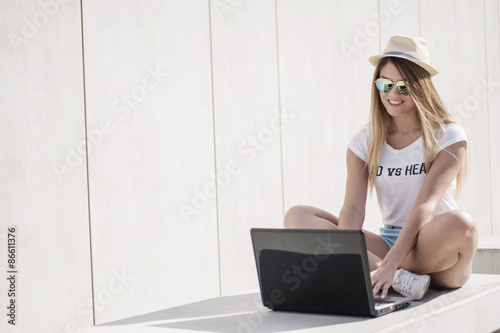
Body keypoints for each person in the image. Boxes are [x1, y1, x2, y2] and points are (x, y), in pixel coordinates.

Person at [283, 36, 478, 300]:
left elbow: (425, 205)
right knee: (298, 216)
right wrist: (355, 257)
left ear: (421, 88)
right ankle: (397, 279)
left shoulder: (449, 136)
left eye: (403, 87)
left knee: (461, 223)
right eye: (384, 84)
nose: (392, 94)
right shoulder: (364, 142)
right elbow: (352, 209)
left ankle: (380, 271)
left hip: (435, 247)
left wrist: (389, 262)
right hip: (387, 245)